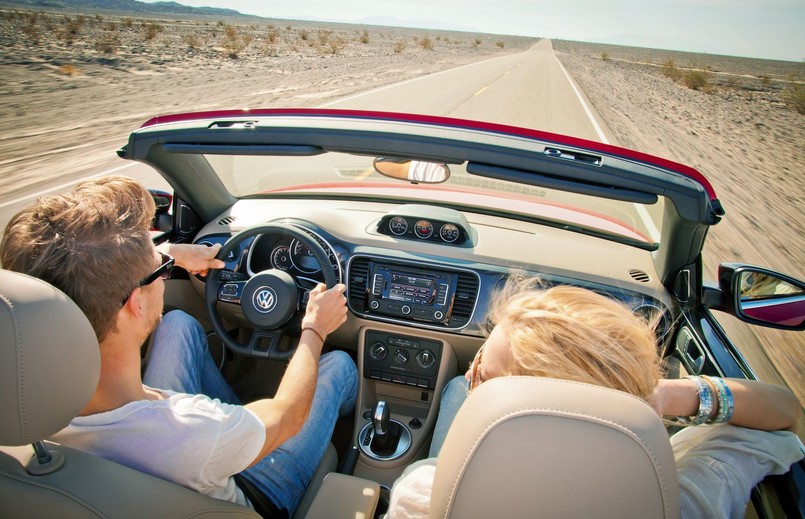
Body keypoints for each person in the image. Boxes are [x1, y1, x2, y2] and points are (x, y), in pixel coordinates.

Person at [0, 175, 358, 518]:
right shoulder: (197, 432)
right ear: (135, 303)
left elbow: (80, 274)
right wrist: (314, 326)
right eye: (161, 270)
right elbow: (287, 416)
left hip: (182, 462)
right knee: (339, 365)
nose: (165, 270)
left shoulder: (19, 403)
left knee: (178, 324)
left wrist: (170, 254)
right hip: (256, 491)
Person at [389, 276, 803, 518]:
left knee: (454, 392)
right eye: (478, 361)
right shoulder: (681, 500)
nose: (470, 371)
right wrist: (657, 397)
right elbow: (786, 410)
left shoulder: (425, 493)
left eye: (485, 376)